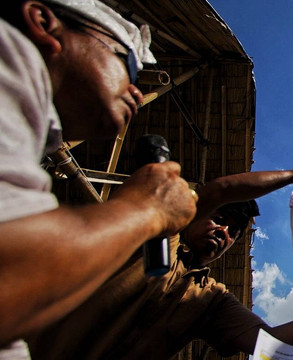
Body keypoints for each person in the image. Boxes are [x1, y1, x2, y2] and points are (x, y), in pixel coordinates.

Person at [27, 161, 293, 360]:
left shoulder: (210, 299)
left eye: (233, 230)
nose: (224, 232)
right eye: (219, 219)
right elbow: (221, 190)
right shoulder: (157, 234)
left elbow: (270, 345)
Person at [0, 0, 197, 356]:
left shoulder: (26, 128)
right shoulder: (9, 55)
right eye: (130, 66)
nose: (138, 89)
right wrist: (146, 209)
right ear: (44, 22)